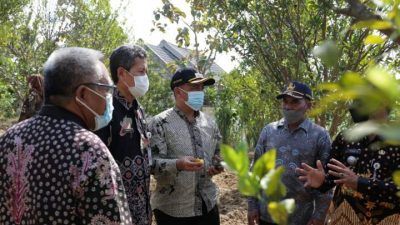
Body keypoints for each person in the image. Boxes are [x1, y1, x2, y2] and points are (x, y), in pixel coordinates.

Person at [0, 47, 132, 224]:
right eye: (106, 89)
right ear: (83, 94)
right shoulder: (89, 149)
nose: (110, 98)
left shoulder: (9, 139)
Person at [296, 104, 400, 224]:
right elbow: (331, 179)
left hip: (385, 219)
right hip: (342, 217)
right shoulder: (345, 137)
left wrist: (360, 183)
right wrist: (322, 181)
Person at [248, 81, 332, 225]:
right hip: (267, 215)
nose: (288, 106)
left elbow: (326, 181)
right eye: (285, 101)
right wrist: (252, 205)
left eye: (295, 102)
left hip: (300, 218)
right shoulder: (269, 131)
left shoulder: (320, 136)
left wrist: (319, 215)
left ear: (309, 105)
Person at [149, 68, 223, 225]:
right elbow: (150, 164)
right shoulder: (160, 123)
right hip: (174, 210)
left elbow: (218, 153)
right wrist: (178, 164)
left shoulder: (210, 123)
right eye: (195, 87)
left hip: (207, 205)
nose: (200, 92)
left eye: (202, 87)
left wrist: (217, 165)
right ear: (178, 91)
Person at [95, 45, 152, 225]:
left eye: (146, 72)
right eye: (141, 71)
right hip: (118, 212)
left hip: (142, 209)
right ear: (121, 73)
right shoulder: (105, 110)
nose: (145, 77)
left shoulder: (138, 109)